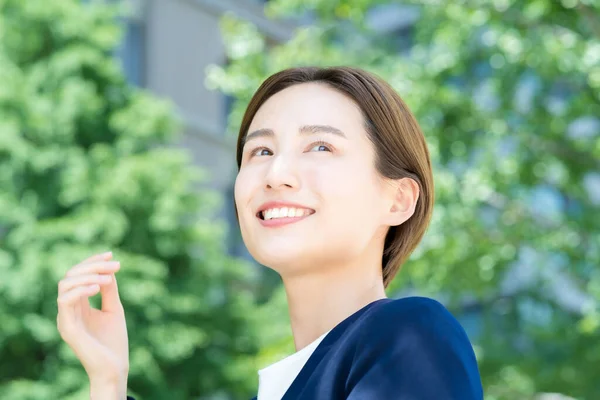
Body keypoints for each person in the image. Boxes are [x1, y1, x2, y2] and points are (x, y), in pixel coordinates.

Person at [57, 66, 484, 399]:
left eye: (320, 146)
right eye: (260, 151)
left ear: (398, 200)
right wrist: (109, 383)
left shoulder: (411, 335)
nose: (276, 173)